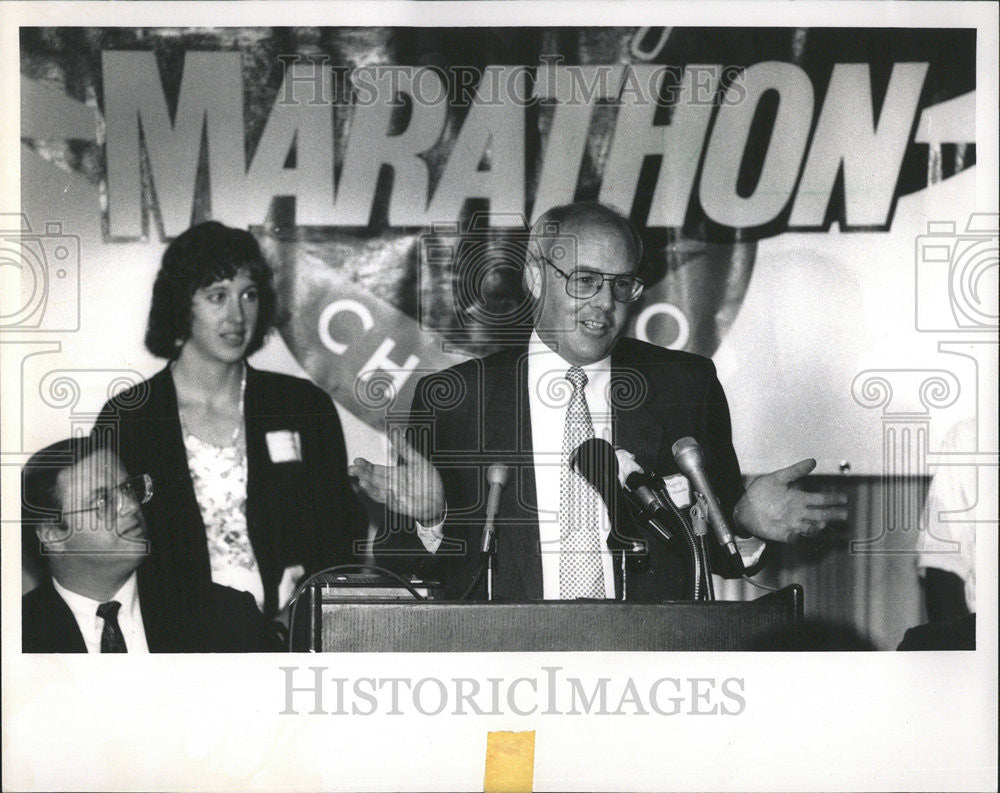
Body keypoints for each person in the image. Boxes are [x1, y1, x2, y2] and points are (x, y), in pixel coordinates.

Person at [350, 202, 848, 600]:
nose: (604, 304)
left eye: (621, 285)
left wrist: (741, 519)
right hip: (511, 670)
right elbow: (401, 566)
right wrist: (432, 520)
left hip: (648, 672)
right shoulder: (455, 400)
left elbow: (717, 553)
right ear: (535, 277)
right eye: (585, 281)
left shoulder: (684, 386)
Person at [93, 221, 367, 619]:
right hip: (177, 643)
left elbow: (342, 527)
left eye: (249, 295)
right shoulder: (131, 417)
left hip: (291, 633)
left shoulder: (301, 405)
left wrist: (305, 611)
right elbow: (111, 544)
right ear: (181, 303)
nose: (237, 315)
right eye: (217, 296)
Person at [21, 437, 283, 652]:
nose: (132, 507)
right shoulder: (20, 635)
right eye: (102, 502)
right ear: (52, 535)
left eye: (127, 489)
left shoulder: (222, 614)